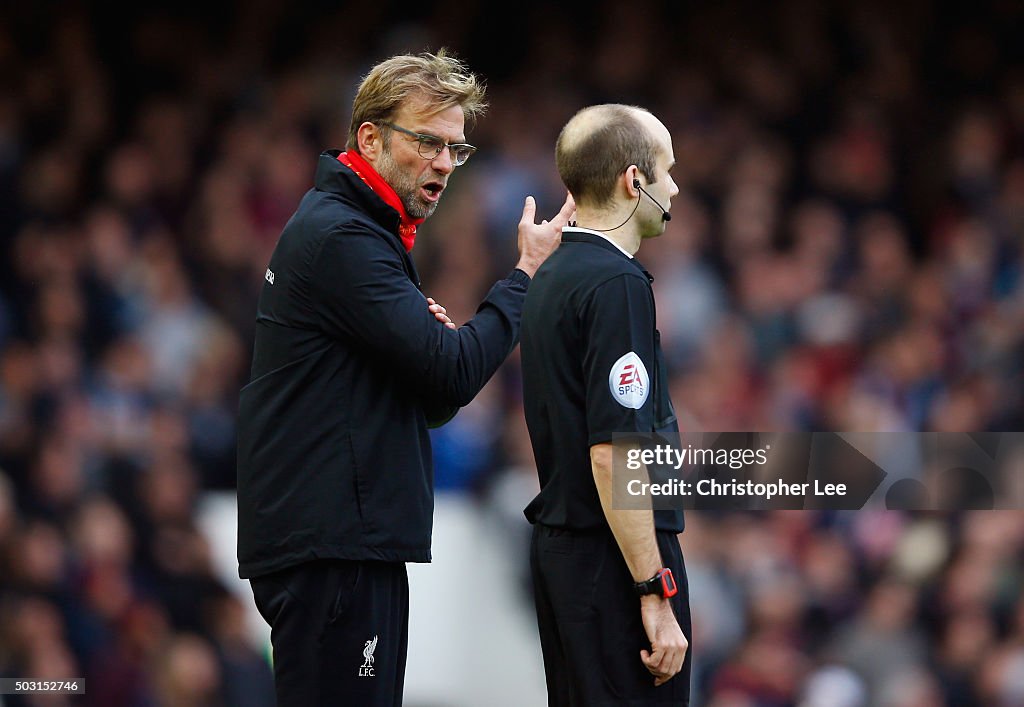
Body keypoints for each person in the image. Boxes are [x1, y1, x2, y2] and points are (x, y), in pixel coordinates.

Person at [235, 50, 574, 706]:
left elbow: (429, 392)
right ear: (371, 137)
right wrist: (527, 273)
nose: (445, 163)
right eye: (428, 142)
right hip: (334, 551)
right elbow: (451, 376)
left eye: (456, 148)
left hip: (341, 545)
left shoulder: (355, 233)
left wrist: (435, 355)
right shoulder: (346, 239)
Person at [520, 104, 692, 706]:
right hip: (613, 562)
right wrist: (653, 590)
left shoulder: (550, 276)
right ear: (633, 180)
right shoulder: (616, 284)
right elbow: (614, 454)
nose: (675, 185)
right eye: (667, 170)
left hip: (570, 555)